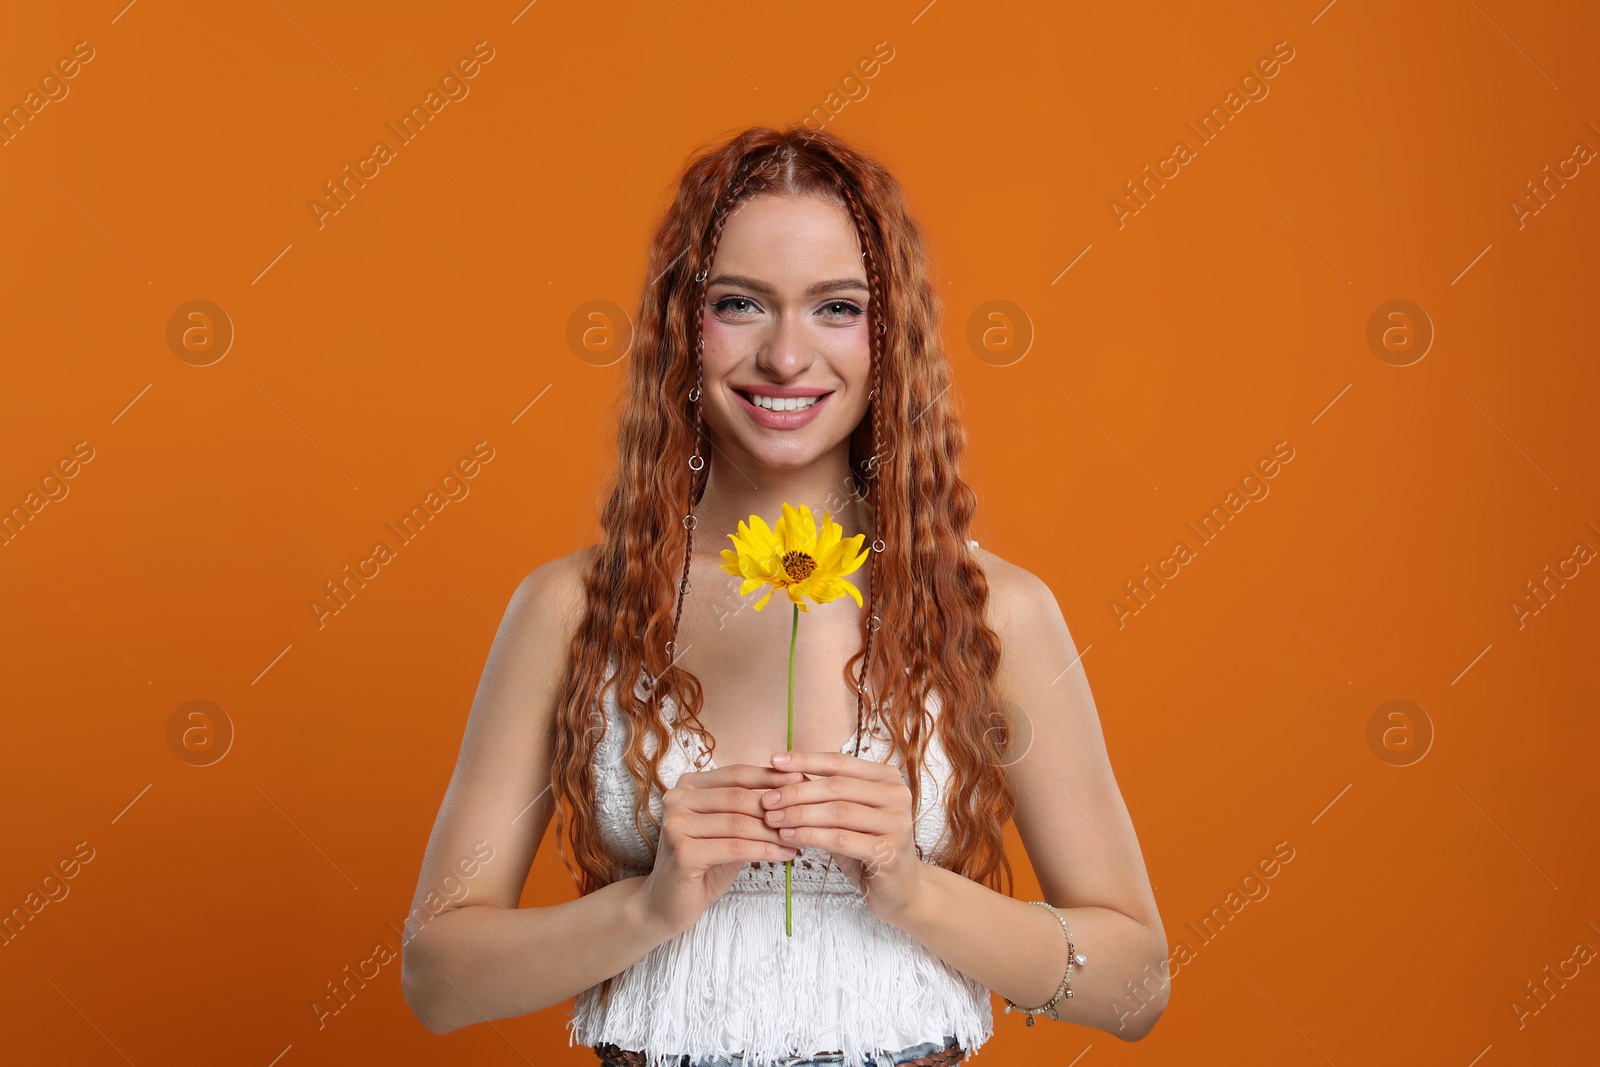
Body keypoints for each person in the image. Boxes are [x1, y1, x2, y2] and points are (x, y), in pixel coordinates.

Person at [400, 126, 1170, 1066]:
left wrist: (917, 890)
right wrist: (646, 907)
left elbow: (1135, 987)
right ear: (682, 324)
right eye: (741, 304)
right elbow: (437, 979)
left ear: (891, 336)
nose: (787, 356)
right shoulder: (572, 610)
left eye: (838, 307)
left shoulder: (990, 611)